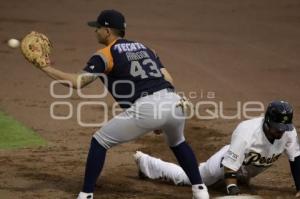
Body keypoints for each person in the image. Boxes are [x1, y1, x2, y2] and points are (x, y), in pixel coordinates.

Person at [36, 9, 209, 199]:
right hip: (175, 103)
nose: (95, 31)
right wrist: (162, 117)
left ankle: (85, 195)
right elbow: (169, 79)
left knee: (99, 141)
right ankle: (200, 190)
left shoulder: (105, 54)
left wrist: (45, 67)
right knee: (177, 142)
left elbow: (78, 82)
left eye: (98, 28)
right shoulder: (146, 48)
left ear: (108, 31)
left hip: (148, 107)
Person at [134, 100, 300, 197]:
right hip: (223, 165)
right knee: (186, 178)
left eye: (284, 127)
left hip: (244, 170)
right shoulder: (247, 132)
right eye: (277, 127)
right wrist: (233, 191)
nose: (281, 131)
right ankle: (145, 162)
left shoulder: (288, 132)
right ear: (267, 120)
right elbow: (229, 165)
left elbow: (296, 159)